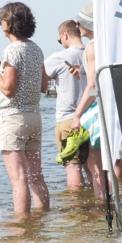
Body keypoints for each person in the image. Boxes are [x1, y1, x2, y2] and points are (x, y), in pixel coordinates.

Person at [0, 2, 50, 216]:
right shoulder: (36, 49)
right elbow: (44, 86)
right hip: (34, 117)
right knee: (36, 176)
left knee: (19, 179)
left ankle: (22, 227)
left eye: (1, 21)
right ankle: (42, 221)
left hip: (12, 118)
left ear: (9, 23)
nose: (0, 25)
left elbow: (8, 89)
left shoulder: (12, 50)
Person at [66, 6, 108, 204]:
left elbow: (93, 86)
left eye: (79, 22)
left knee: (96, 166)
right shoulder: (108, 41)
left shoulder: (92, 46)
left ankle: (102, 206)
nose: (77, 26)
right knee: (111, 164)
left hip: (99, 109)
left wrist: (77, 114)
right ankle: (111, 203)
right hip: (114, 106)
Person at [45, 19, 90, 189]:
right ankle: (98, 201)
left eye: (60, 40)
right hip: (92, 116)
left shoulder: (59, 57)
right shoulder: (92, 54)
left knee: (72, 166)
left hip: (68, 119)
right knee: (93, 167)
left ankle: (76, 203)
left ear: (65, 35)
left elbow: (40, 79)